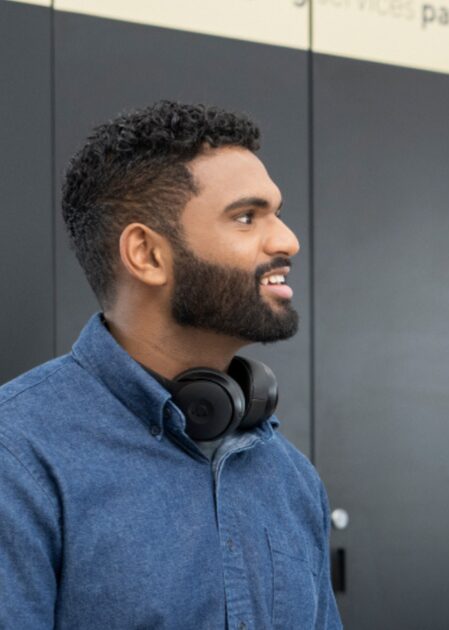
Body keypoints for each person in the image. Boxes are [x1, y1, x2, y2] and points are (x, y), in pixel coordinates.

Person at [0, 101, 341, 629]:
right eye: (247, 217)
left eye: (276, 213)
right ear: (147, 255)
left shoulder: (290, 478)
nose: (287, 240)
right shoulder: (17, 457)